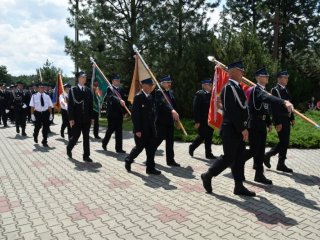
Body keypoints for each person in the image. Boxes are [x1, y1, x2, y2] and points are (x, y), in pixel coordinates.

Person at [201, 61, 256, 196]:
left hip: (238, 129)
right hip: (231, 129)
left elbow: (243, 109)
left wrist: (245, 127)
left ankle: (239, 186)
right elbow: (231, 111)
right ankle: (208, 174)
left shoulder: (237, 88)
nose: (243, 72)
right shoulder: (229, 88)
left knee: (239, 158)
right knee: (229, 157)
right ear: (231, 71)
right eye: (240, 69)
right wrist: (242, 128)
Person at [247, 68, 293, 184]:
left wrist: (268, 122)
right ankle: (235, 162)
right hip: (254, 124)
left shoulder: (264, 90)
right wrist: (283, 102)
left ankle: (259, 175)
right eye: (264, 76)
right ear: (257, 77)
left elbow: (265, 108)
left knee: (260, 150)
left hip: (261, 123)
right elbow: (268, 100)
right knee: (254, 151)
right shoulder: (256, 90)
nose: (267, 77)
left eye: (267, 76)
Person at [124, 78, 161, 175]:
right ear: (143, 85)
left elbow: (153, 112)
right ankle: (128, 159)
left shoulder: (150, 97)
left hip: (151, 128)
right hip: (141, 129)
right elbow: (135, 115)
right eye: (149, 85)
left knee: (151, 149)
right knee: (139, 148)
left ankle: (150, 168)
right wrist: (137, 130)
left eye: (151, 86)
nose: (151, 87)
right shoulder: (138, 97)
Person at [264, 71, 295, 173]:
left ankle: (281, 164)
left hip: (286, 118)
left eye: (287, 78)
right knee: (283, 142)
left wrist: (292, 118)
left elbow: (290, 105)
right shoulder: (275, 90)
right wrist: (277, 122)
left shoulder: (286, 90)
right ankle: (267, 155)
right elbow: (274, 108)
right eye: (285, 77)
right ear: (279, 78)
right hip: (280, 119)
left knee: (285, 143)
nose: (287, 79)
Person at [66, 71, 94, 162]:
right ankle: (69, 148)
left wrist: (92, 118)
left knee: (86, 137)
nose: (84, 79)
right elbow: (70, 105)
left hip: (86, 119)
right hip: (76, 119)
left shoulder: (88, 90)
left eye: (85, 77)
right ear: (78, 78)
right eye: (82, 77)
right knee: (75, 136)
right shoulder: (73, 90)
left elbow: (91, 105)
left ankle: (86, 156)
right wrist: (71, 119)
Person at [154, 75, 180, 167]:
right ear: (162, 83)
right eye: (168, 82)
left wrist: (176, 117)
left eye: (170, 83)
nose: (169, 84)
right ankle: (150, 154)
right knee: (159, 139)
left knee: (170, 141)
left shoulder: (170, 92)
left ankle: (170, 160)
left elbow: (173, 105)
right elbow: (162, 104)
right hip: (161, 121)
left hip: (170, 120)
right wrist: (171, 110)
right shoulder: (159, 92)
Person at [189, 79, 216, 159]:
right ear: (204, 85)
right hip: (202, 120)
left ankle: (208, 153)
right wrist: (197, 121)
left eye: (211, 85)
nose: (211, 86)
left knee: (209, 136)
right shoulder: (199, 94)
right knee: (202, 136)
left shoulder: (212, 94)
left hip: (210, 119)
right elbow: (195, 108)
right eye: (209, 85)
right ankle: (192, 147)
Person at [102, 74, 126, 153]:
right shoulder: (110, 89)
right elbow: (111, 97)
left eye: (119, 80)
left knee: (119, 131)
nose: (118, 82)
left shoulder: (121, 89)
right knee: (110, 130)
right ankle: (104, 142)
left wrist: (124, 111)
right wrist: (119, 100)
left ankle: (119, 148)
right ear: (112, 81)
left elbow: (124, 100)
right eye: (116, 80)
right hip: (111, 114)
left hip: (119, 114)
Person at [29, 82, 54, 147]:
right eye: (40, 87)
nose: (42, 89)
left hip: (45, 113)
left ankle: (44, 141)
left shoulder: (47, 96)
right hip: (37, 113)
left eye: (43, 87)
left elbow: (49, 106)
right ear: (37, 88)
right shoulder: (34, 96)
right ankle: (35, 135)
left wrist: (51, 114)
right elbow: (32, 106)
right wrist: (32, 114)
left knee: (45, 128)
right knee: (37, 127)